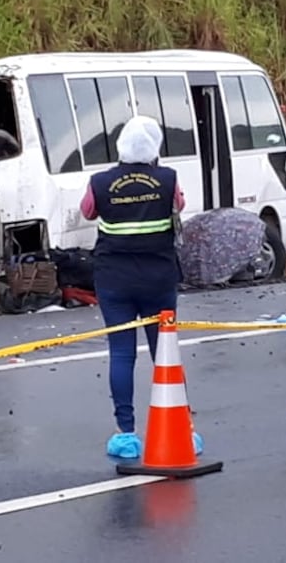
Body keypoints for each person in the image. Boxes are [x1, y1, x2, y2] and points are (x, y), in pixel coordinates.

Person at [79, 115, 186, 458]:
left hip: (114, 281)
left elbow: (87, 212)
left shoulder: (100, 181)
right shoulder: (168, 179)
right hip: (159, 279)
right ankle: (181, 427)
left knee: (122, 354)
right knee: (164, 355)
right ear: (154, 148)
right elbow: (179, 206)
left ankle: (126, 433)